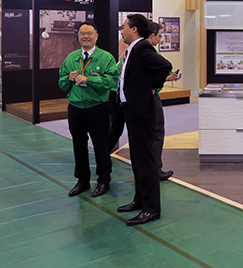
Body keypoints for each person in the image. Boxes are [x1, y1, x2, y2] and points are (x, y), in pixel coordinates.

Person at [116, 14, 172, 226]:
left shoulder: (142, 48)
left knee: (146, 162)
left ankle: (151, 209)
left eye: (124, 27)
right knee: (138, 160)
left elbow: (164, 66)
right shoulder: (133, 49)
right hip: (132, 111)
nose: (121, 31)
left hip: (140, 112)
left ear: (134, 29)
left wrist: (152, 87)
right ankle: (139, 200)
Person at [58, 22, 118, 198]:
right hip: (76, 108)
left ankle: (104, 180)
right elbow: (61, 83)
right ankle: (82, 180)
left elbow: (111, 82)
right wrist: (68, 79)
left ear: (96, 36)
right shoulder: (71, 57)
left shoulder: (106, 58)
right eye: (82, 33)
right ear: (78, 36)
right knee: (78, 145)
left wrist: (88, 80)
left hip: (97, 108)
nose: (86, 36)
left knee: (101, 145)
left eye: (89, 33)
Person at [147, 21, 179, 181]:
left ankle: (148, 169)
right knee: (156, 133)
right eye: (159, 36)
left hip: (137, 99)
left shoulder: (133, 51)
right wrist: (161, 80)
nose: (160, 39)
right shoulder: (149, 53)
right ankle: (155, 170)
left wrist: (166, 77)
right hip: (150, 99)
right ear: (152, 35)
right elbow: (165, 66)